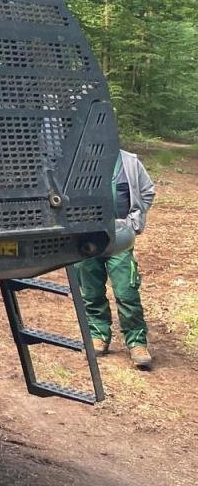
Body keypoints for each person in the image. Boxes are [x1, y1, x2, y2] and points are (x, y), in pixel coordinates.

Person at [76, 148, 156, 369]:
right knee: (91, 291)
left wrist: (132, 223)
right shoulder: (79, 157)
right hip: (86, 236)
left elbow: (147, 191)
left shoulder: (129, 161)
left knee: (126, 291)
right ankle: (98, 335)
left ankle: (137, 343)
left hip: (120, 237)